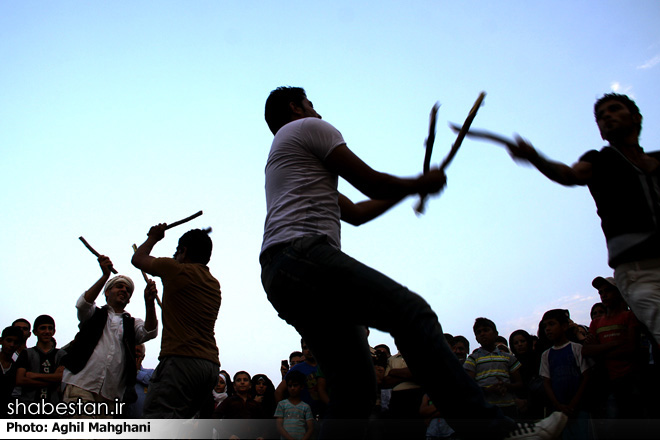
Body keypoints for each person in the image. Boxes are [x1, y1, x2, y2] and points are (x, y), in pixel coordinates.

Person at [259, 86, 566, 439]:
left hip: (283, 273)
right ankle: (493, 431)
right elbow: (372, 184)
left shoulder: (287, 156)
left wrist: (412, 189)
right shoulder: (309, 128)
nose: (318, 110)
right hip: (302, 257)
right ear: (296, 107)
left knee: (356, 392)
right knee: (410, 313)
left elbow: (357, 212)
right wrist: (421, 181)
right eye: (311, 104)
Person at [475, 93, 659, 344]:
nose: (606, 116)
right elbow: (569, 174)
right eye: (601, 116)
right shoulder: (599, 160)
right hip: (639, 270)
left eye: (614, 109)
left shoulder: (657, 161)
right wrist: (536, 158)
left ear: (636, 118)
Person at [132, 224, 222, 418]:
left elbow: (138, 258)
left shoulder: (176, 270)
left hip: (181, 361)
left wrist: (154, 237)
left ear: (184, 251)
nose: (174, 256)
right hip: (209, 367)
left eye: (176, 251)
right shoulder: (213, 283)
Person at [61, 256, 158, 418]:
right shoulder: (93, 314)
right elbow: (82, 304)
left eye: (127, 290)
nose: (124, 290)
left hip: (110, 394)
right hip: (81, 383)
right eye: (119, 286)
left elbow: (150, 332)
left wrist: (150, 303)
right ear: (107, 292)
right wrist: (105, 276)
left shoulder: (131, 323)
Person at [582, 276, 645, 418]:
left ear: (618, 292)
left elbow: (631, 349)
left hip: (630, 379)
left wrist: (599, 350)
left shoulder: (629, 316)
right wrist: (614, 344)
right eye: (601, 292)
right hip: (607, 381)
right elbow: (586, 351)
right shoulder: (596, 323)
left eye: (607, 291)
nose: (604, 295)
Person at [539, 310, 594, 440]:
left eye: (551, 324)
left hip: (580, 407)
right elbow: (546, 382)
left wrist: (573, 403)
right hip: (559, 410)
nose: (548, 329)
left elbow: (586, 376)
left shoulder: (576, 348)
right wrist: (558, 405)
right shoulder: (546, 355)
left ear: (564, 326)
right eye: (545, 326)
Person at [464, 318, 523, 418]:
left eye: (486, 330)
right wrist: (488, 390)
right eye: (479, 332)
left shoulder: (508, 357)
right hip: (485, 409)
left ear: (496, 334)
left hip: (508, 407)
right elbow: (469, 387)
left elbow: (520, 383)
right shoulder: (473, 359)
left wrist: (506, 386)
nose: (482, 334)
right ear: (476, 338)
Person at [14, 315, 66, 411]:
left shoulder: (61, 354)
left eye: (50, 328)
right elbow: (20, 380)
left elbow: (61, 377)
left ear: (54, 332)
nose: (47, 331)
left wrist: (33, 375)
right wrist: (51, 381)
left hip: (53, 410)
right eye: (43, 328)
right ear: (35, 332)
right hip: (28, 409)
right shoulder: (27, 353)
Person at [274, 370, 314, 440]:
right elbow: (279, 426)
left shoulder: (306, 407)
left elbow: (310, 428)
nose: (292, 388)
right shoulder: (282, 405)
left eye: (295, 385)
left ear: (301, 387)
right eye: (290, 386)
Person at [121, 344, 154, 418]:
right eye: (133, 350)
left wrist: (136, 372)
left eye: (138, 351)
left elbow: (154, 383)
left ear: (143, 356)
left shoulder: (150, 373)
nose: (135, 353)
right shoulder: (120, 372)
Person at [1, 326, 24, 418]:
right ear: (1, 341)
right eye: (9, 340)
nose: (11, 345)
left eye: (15, 342)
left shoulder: (17, 368)